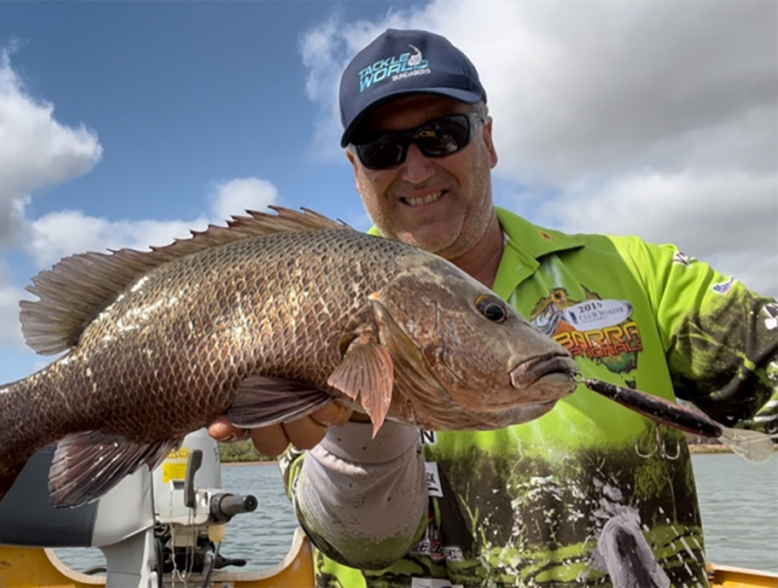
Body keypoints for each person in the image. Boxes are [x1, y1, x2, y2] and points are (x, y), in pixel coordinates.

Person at [209, 28, 778, 588]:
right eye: (382, 149)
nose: (415, 168)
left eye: (442, 134)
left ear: (488, 139)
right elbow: (362, 544)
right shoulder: (299, 300)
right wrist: (361, 436)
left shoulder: (638, 274)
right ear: (358, 173)